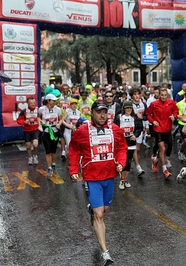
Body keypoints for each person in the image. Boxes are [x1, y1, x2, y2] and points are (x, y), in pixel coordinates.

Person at [69, 100, 127, 265]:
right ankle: (105, 253)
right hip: (91, 177)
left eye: (105, 112)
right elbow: (73, 150)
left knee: (105, 209)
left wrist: (121, 162)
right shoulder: (82, 131)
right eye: (99, 112)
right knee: (99, 214)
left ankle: (92, 210)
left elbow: (122, 147)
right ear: (92, 113)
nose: (102, 115)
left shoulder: (115, 129)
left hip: (109, 176)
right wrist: (73, 170)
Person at [146, 88, 178, 179]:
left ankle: (155, 160)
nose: (163, 97)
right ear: (159, 95)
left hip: (167, 129)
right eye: (162, 95)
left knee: (169, 145)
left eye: (165, 95)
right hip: (158, 129)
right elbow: (148, 113)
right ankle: (164, 170)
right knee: (162, 148)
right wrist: (153, 121)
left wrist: (174, 116)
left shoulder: (171, 102)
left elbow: (176, 111)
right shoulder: (154, 104)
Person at [114, 100, 143, 189]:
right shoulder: (119, 117)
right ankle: (122, 180)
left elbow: (139, 128)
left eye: (130, 108)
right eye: (127, 108)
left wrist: (135, 135)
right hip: (122, 143)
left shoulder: (135, 118)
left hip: (131, 142)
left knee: (129, 162)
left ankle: (125, 179)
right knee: (123, 161)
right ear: (124, 109)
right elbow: (114, 129)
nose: (128, 109)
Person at [38, 93, 63, 177]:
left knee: (54, 151)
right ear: (48, 101)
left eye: (55, 101)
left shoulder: (58, 109)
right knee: (48, 151)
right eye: (53, 101)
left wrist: (59, 124)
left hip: (55, 131)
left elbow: (61, 119)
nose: (54, 102)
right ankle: (49, 168)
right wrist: (39, 124)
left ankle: (54, 164)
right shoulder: (42, 109)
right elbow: (38, 117)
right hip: (46, 131)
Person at [17, 97, 40, 165]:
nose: (33, 104)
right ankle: (30, 157)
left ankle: (35, 156)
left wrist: (40, 122)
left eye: (34, 103)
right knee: (28, 146)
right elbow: (19, 120)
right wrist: (24, 122)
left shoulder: (38, 110)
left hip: (35, 129)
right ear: (28, 103)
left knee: (35, 145)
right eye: (31, 103)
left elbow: (42, 118)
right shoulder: (24, 111)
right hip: (27, 130)